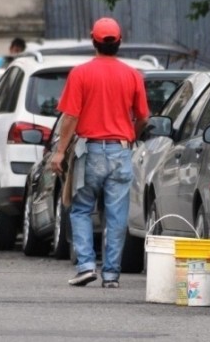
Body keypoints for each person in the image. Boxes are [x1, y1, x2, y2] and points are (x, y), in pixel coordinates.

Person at [50, 17, 149, 289]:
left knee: (81, 209)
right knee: (117, 216)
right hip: (120, 151)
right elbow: (143, 117)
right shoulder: (132, 76)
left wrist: (59, 152)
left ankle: (85, 266)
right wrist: (130, 134)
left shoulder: (80, 74)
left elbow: (70, 117)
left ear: (93, 41)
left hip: (89, 151)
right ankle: (111, 276)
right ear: (119, 42)